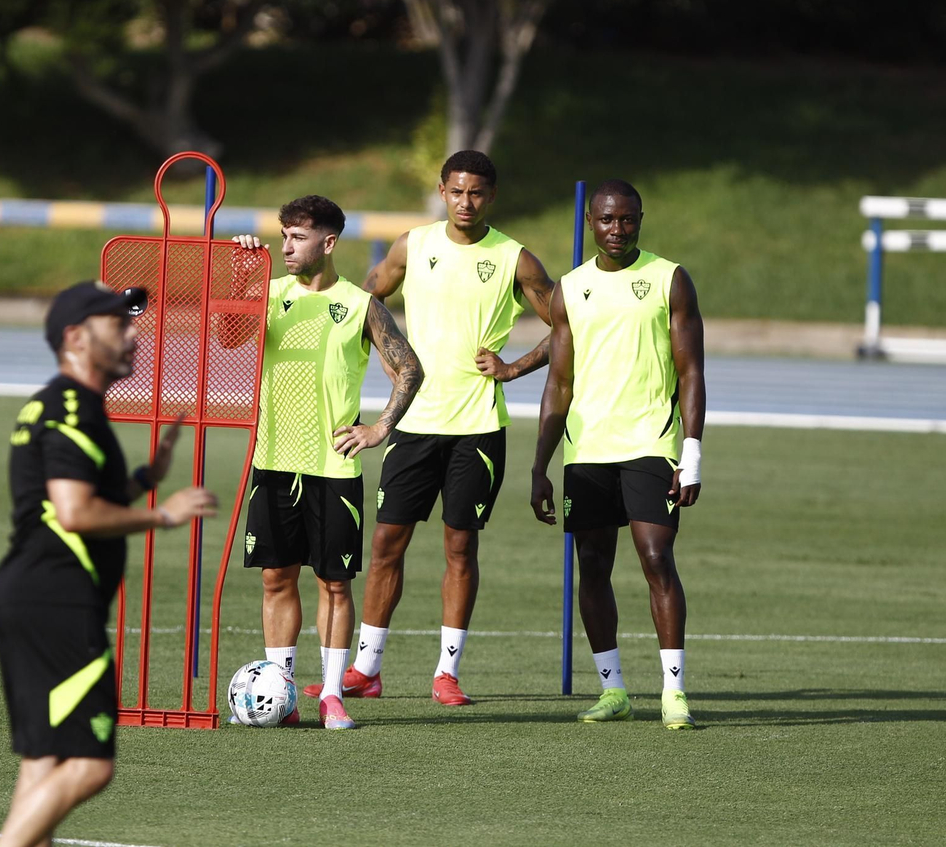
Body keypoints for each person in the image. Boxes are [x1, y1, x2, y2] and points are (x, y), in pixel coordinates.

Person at [308, 150, 556, 706]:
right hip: (414, 424)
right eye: (457, 191)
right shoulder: (412, 246)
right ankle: (366, 669)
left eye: (478, 193)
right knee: (386, 542)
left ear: (491, 196)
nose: (466, 202)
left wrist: (514, 368)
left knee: (459, 548)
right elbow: (361, 302)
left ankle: (447, 672)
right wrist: (387, 354)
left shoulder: (516, 259)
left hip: (478, 428)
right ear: (442, 190)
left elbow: (568, 325)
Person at [0, 281, 217, 847]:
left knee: (44, 765)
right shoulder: (71, 407)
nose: (134, 332)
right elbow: (74, 512)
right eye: (118, 324)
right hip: (56, 602)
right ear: (75, 338)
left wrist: (142, 479)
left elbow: (69, 494)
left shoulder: (70, 405)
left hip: (36, 597)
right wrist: (162, 516)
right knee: (90, 766)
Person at [231, 195, 422, 730]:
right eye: (283, 235)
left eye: (298, 237)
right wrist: (245, 277)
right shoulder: (268, 296)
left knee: (334, 584)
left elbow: (409, 368)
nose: (286, 246)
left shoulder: (361, 306)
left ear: (328, 242)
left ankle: (332, 694)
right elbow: (227, 338)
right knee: (275, 577)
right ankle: (282, 690)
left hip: (333, 467)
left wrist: (380, 427)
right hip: (273, 461)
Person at [530, 179, 705, 730]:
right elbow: (559, 383)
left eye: (627, 220)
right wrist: (540, 465)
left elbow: (692, 372)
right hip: (587, 451)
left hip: (651, 443)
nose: (617, 230)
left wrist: (692, 453)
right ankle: (614, 691)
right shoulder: (569, 289)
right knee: (593, 566)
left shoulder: (668, 279)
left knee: (656, 558)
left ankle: (673, 692)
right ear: (591, 222)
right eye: (606, 220)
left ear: (640, 219)